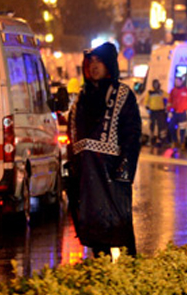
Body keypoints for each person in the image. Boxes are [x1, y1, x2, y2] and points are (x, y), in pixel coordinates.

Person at [67, 43, 142, 258]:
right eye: (90, 63)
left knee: (120, 228)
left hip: (112, 174)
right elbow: (72, 139)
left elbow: (132, 134)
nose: (94, 67)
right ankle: (103, 277)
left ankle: (132, 279)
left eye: (99, 62)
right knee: (94, 231)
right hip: (87, 177)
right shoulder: (81, 99)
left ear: (109, 64)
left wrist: (125, 169)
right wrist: (72, 171)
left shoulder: (122, 94)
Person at [168, 76, 187, 150]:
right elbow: (169, 101)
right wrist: (169, 111)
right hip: (174, 113)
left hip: (182, 113)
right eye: (176, 82)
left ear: (181, 82)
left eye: (178, 81)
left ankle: (182, 143)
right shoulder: (173, 91)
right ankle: (175, 141)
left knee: (182, 129)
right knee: (171, 127)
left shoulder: (186, 90)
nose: (177, 83)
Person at [145, 79, 169, 149]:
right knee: (152, 126)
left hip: (160, 111)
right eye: (154, 84)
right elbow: (146, 102)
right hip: (153, 112)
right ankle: (152, 140)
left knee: (161, 127)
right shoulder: (150, 92)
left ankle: (161, 141)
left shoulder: (161, 92)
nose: (156, 85)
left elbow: (168, 97)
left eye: (157, 84)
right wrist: (148, 109)